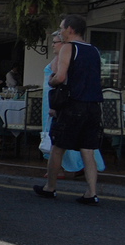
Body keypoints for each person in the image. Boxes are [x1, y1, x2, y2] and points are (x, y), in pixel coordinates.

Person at [34, 14, 103, 205]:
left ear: (70, 29)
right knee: (87, 150)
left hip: (73, 104)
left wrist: (52, 79)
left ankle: (50, 187)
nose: (60, 31)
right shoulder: (94, 50)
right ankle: (91, 192)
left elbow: (61, 77)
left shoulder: (68, 48)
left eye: (61, 27)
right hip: (93, 106)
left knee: (57, 147)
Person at [40, 31, 105, 178]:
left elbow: (58, 80)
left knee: (59, 139)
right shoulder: (85, 52)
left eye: (55, 42)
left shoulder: (60, 59)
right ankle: (77, 170)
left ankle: (57, 173)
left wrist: (52, 106)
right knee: (78, 142)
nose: (53, 45)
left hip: (56, 101)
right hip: (57, 101)